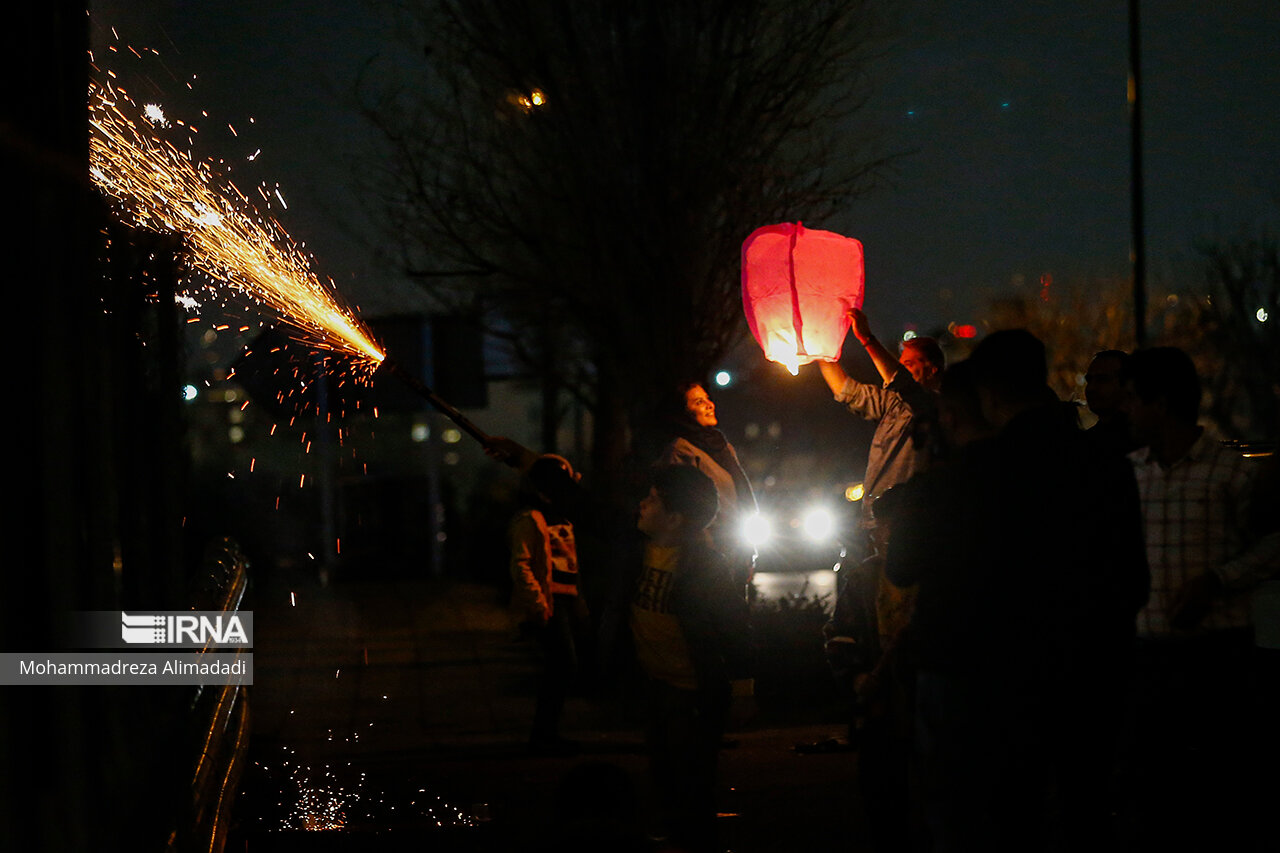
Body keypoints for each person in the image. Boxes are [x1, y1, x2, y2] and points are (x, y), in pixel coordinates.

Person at [884, 330, 1148, 851]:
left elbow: (904, 565)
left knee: (988, 818)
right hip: (1089, 676)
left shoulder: (971, 474)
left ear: (988, 396)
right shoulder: (1103, 464)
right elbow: (1131, 580)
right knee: (1083, 812)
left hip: (984, 683)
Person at [1120, 346, 1280, 851]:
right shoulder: (1130, 475)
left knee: (1218, 797)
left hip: (1218, 659)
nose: (1126, 411)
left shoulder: (1230, 473)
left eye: (1133, 400)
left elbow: (1275, 546)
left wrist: (1218, 579)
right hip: (1148, 657)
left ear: (1160, 403)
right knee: (1155, 799)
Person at [628, 464, 751, 852]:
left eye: (653, 500)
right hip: (655, 684)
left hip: (694, 693)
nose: (642, 505)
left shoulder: (705, 567)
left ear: (675, 519)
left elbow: (734, 627)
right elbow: (588, 509)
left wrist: (744, 689)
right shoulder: (636, 548)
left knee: (692, 784)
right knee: (663, 776)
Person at [508, 453, 590, 754]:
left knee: (563, 666)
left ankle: (546, 733)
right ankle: (544, 735)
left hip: (565, 600)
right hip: (550, 601)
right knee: (562, 665)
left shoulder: (562, 516)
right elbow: (522, 564)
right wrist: (537, 602)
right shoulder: (531, 518)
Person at [657, 381, 757, 590]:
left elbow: (740, 497)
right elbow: (682, 509)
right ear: (683, 413)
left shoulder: (722, 446)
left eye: (707, 399)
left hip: (735, 548)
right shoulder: (681, 450)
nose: (709, 405)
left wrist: (747, 551)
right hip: (707, 554)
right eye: (698, 402)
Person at [1083, 349, 1139, 456]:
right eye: (1089, 380)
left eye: (1102, 379)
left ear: (1127, 385)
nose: (1091, 388)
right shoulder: (1085, 443)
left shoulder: (1143, 441)